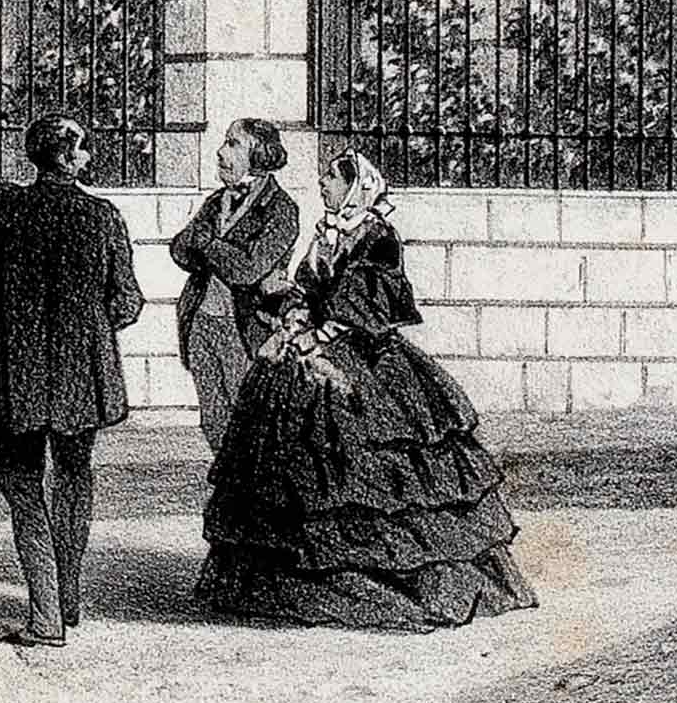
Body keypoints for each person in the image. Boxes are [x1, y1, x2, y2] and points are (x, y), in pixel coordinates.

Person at [196, 149, 534, 628]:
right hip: (309, 350)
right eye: (322, 180)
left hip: (362, 358)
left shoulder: (379, 237)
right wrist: (292, 313)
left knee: (370, 465)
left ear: (356, 185)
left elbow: (364, 306)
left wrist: (317, 334)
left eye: (330, 180)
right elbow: (308, 290)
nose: (323, 188)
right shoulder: (326, 232)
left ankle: (386, 582)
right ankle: (299, 584)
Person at [0, 109, 146, 649]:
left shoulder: (5, 207)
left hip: (15, 374)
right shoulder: (103, 217)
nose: (89, 154)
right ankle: (66, 600)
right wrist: (85, 328)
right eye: (84, 146)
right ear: (68, 157)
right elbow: (129, 302)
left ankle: (46, 613)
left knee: (20, 481)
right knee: (74, 476)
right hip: (78, 376)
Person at [167, 118, 306, 451]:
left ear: (258, 155)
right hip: (201, 322)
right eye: (225, 142)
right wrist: (217, 249)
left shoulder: (282, 209)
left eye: (233, 144)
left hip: (246, 328)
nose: (220, 152)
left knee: (249, 418)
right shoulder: (217, 200)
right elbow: (180, 251)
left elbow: (248, 269)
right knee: (213, 418)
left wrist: (209, 244)